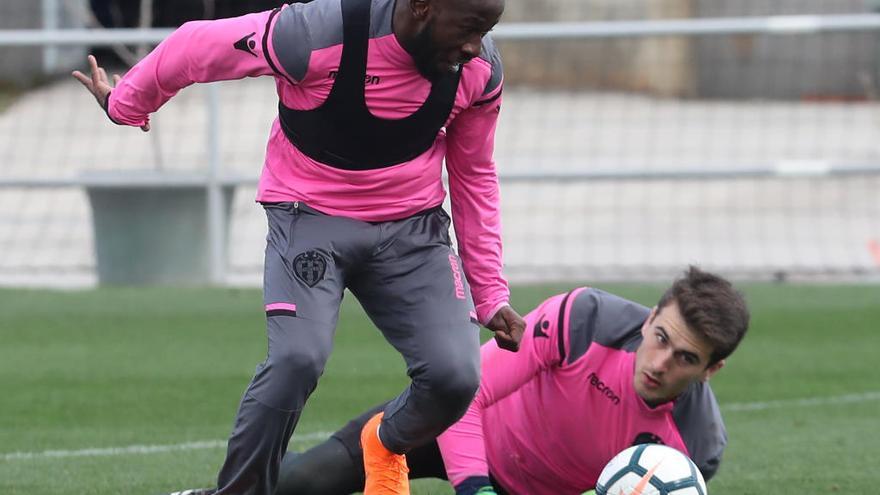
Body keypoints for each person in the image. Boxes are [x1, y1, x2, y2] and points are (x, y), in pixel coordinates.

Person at [72, 0, 526, 493]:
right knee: (296, 360)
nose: (475, 44)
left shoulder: (478, 71)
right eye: (469, 27)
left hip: (411, 233)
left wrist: (491, 294)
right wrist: (125, 104)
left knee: (456, 376)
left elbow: (474, 174)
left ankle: (384, 442)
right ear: (420, 7)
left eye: (487, 30)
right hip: (308, 218)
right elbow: (195, 45)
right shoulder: (314, 33)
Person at [269, 266, 750, 494]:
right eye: (660, 337)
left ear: (711, 371)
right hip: (446, 428)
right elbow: (464, 396)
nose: (661, 362)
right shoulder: (585, 319)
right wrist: (476, 488)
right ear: (648, 320)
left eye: (685, 358)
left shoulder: (694, 449)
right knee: (301, 483)